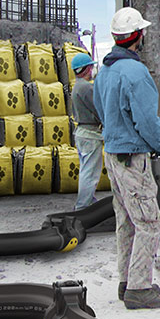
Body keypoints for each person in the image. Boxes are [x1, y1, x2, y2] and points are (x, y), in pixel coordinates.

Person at [93, 6, 160, 310]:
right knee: (149, 222)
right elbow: (146, 120)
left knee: (127, 221)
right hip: (132, 158)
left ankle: (127, 281)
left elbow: (102, 112)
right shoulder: (136, 72)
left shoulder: (105, 71)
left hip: (112, 155)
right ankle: (140, 289)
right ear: (138, 36)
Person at [70, 52, 102, 211]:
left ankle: (89, 201)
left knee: (85, 170)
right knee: (90, 174)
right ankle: (83, 207)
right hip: (90, 134)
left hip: (82, 133)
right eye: (91, 68)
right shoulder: (86, 87)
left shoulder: (77, 87)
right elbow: (99, 110)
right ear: (86, 69)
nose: (92, 71)